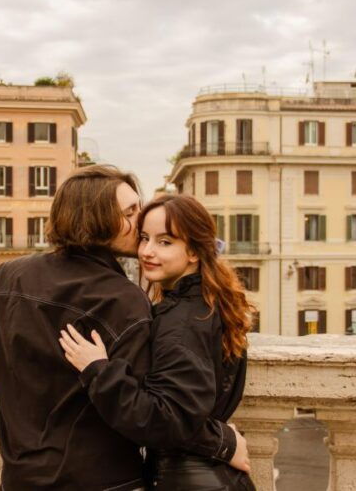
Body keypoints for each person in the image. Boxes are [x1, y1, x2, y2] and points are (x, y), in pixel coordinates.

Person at [0, 166, 240, 490]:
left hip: (21, 479)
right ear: (97, 219)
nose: (140, 218)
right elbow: (156, 413)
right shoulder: (124, 301)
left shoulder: (7, 275)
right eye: (130, 212)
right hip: (106, 481)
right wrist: (221, 442)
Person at [60, 194, 255, 490]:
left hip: (190, 480)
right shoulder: (207, 304)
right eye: (144, 238)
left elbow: (167, 420)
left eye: (165, 242)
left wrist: (98, 369)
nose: (147, 251)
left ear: (193, 251)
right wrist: (223, 442)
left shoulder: (181, 322)